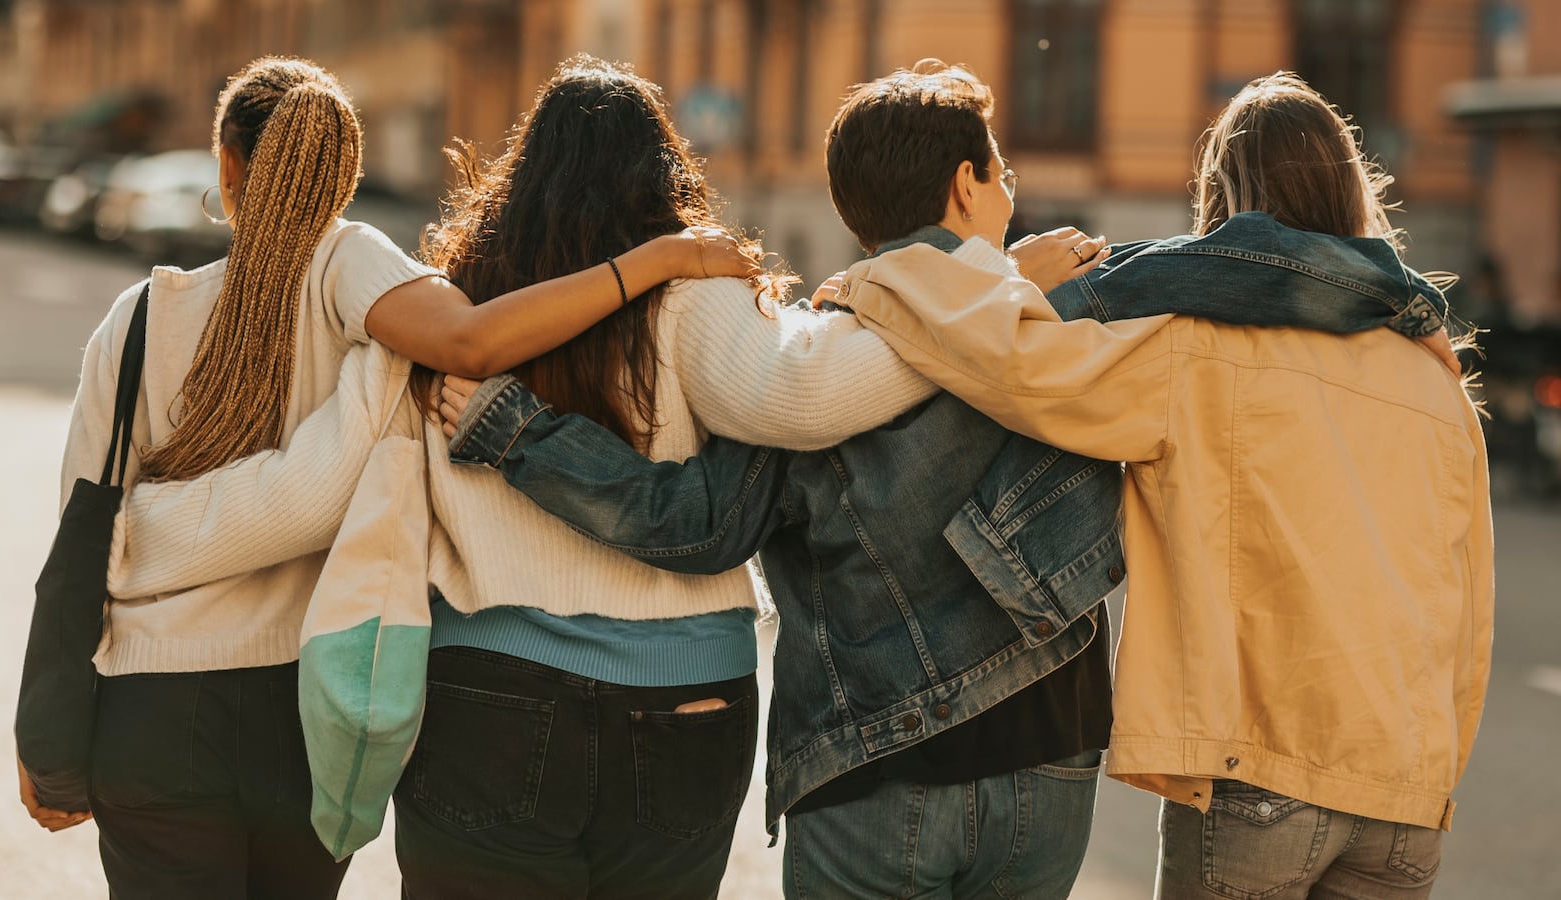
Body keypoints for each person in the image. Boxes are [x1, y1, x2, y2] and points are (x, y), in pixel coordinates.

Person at [434, 64, 1448, 899]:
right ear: (967, 186)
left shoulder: (812, 352)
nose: (1007, 196)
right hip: (1048, 756)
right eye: (999, 175)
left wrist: (514, 430)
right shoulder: (1070, 311)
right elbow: (1227, 268)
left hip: (867, 767)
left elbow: (699, 525)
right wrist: (1392, 296)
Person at [77, 55, 1031, 899]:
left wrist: (139, 535)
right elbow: (814, 395)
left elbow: (326, 482)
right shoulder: (695, 297)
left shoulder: (454, 306)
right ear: (666, 178)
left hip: (487, 701)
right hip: (687, 704)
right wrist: (993, 293)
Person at [19, 56, 754, 899]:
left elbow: (81, 533)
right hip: (296, 711)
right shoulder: (356, 273)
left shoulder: (138, 321)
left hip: (142, 716)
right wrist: (658, 259)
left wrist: (49, 736)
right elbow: (469, 346)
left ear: (227, 167)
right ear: (347, 171)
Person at [826, 73, 1490, 898]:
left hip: (1260, 775)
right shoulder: (1436, 379)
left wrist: (887, 284)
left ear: (1225, 199)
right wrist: (1436, 770)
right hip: (1404, 787)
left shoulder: (1199, 345)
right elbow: (1469, 603)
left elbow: (1018, 366)